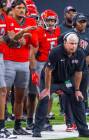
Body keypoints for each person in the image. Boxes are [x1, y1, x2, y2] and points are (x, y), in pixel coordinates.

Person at [32, 32, 89, 138]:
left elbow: (78, 72)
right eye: (71, 43)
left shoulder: (80, 54)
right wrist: (47, 89)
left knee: (78, 99)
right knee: (44, 99)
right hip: (51, 79)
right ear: (65, 42)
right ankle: (37, 129)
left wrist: (76, 90)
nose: (73, 46)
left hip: (66, 81)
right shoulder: (55, 52)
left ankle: (83, 130)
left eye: (75, 44)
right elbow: (48, 71)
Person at [3, 0, 38, 135]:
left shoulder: (31, 22)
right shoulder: (7, 20)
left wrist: (26, 38)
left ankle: (17, 126)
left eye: (23, 8)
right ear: (12, 9)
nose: (22, 10)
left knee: (20, 97)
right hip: (8, 61)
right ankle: (2, 125)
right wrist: (23, 36)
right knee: (3, 95)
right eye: (19, 8)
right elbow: (9, 42)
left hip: (23, 62)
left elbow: (34, 42)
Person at [27, 9, 60, 130]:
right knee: (42, 94)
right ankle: (38, 121)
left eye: (52, 20)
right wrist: (33, 71)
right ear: (43, 20)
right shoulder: (38, 31)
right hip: (41, 65)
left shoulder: (57, 31)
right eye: (48, 20)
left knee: (49, 94)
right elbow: (32, 53)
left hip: (52, 66)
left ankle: (43, 118)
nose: (51, 23)